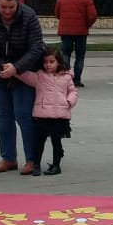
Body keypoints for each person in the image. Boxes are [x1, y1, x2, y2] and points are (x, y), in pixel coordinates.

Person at [0, 0, 46, 174]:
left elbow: (36, 48)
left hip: (23, 74)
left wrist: (17, 68)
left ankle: (32, 159)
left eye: (11, 7)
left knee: (24, 116)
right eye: (3, 7)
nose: (7, 11)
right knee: (4, 117)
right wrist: (2, 66)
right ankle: (8, 158)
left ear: (17, 3)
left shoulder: (29, 16)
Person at [19, 46, 78, 176]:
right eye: (45, 62)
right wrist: (14, 70)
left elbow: (72, 91)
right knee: (38, 142)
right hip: (42, 115)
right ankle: (36, 165)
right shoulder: (39, 76)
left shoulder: (67, 77)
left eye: (51, 62)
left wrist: (69, 101)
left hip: (59, 116)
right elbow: (25, 75)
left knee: (57, 142)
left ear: (59, 62)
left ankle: (56, 165)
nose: (48, 65)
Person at [54, 0, 98, 88]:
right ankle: (77, 79)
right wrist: (86, 25)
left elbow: (57, 13)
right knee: (80, 56)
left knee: (66, 54)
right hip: (81, 32)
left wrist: (64, 21)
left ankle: (65, 78)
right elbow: (93, 15)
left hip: (66, 31)